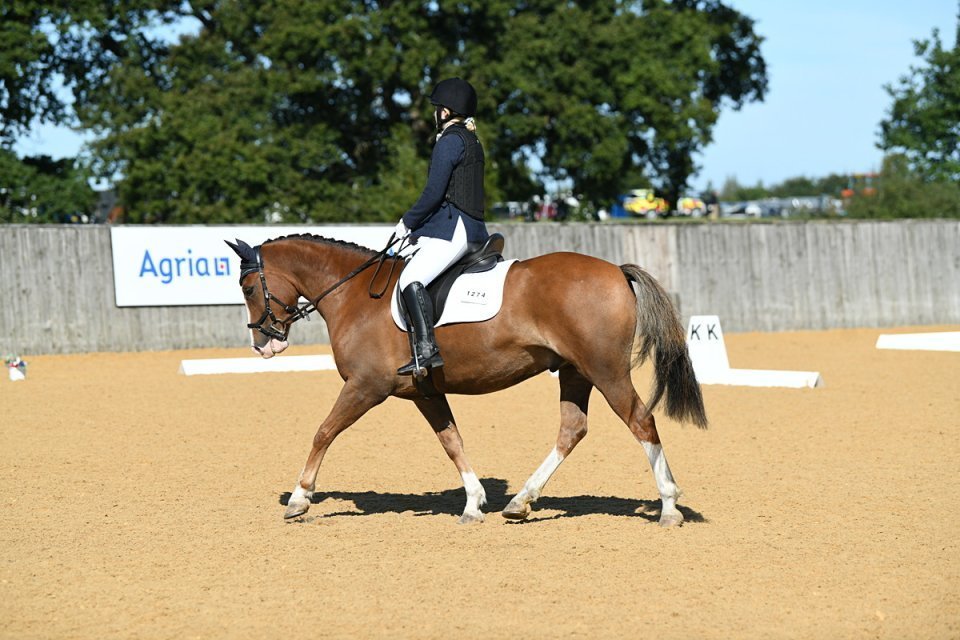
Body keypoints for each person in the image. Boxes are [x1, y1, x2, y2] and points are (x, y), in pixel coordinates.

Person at [393, 77, 490, 376]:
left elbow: (434, 194)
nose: (435, 113)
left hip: (455, 227)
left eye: (437, 108)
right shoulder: (472, 140)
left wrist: (407, 222)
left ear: (445, 112)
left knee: (410, 278)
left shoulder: (449, 142)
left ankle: (426, 349)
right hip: (474, 228)